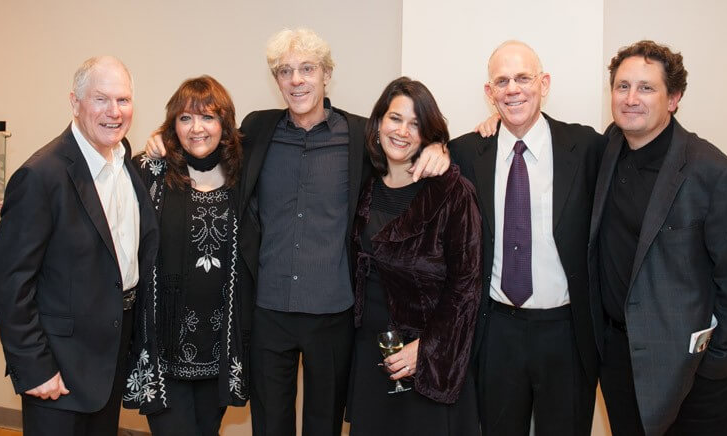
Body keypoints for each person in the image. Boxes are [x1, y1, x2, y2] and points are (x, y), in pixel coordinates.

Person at [145, 28, 450, 436]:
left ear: (326, 74)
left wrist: (438, 146)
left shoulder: (360, 136)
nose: (296, 80)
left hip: (332, 312)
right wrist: (160, 140)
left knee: (323, 426)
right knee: (270, 426)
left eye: (307, 69)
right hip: (268, 310)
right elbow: (202, 141)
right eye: (285, 71)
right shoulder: (258, 131)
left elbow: (406, 141)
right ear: (277, 81)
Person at [588, 40, 727, 436]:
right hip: (620, 362)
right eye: (622, 86)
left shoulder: (714, 174)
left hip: (694, 377)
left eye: (646, 88)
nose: (631, 98)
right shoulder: (609, 147)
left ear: (674, 98)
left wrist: (714, 363)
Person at [0, 56, 159, 435]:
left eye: (123, 100)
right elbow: (10, 284)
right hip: (59, 368)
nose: (114, 112)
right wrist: (35, 367)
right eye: (101, 99)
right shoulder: (41, 176)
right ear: (75, 102)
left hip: (111, 356)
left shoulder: (124, 160)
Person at [449, 40, 604, 435]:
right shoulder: (466, 152)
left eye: (523, 78)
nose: (512, 89)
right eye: (502, 81)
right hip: (497, 330)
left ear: (544, 83)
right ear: (490, 93)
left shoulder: (585, 147)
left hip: (566, 333)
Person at [345, 77, 482, 436]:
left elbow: (465, 287)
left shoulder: (451, 192)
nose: (403, 131)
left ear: (428, 135)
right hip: (370, 356)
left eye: (416, 124)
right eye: (395, 118)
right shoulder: (362, 186)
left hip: (428, 362)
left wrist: (427, 348)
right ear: (377, 124)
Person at [121, 76, 248, 435]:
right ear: (172, 124)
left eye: (208, 117)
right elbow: (106, 209)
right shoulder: (150, 170)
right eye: (186, 118)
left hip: (220, 347)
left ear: (224, 125)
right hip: (163, 345)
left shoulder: (243, 174)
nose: (197, 129)